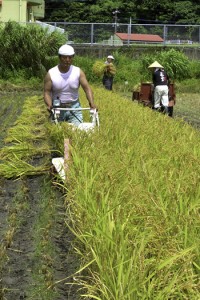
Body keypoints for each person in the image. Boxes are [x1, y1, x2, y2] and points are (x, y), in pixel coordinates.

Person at [44, 44, 97, 125]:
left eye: (70, 57)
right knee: (57, 133)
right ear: (59, 57)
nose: (67, 60)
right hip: (58, 108)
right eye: (64, 57)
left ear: (72, 58)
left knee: (77, 133)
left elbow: (87, 89)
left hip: (74, 108)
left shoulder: (78, 72)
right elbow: (47, 92)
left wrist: (92, 103)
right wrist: (49, 105)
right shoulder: (51, 73)